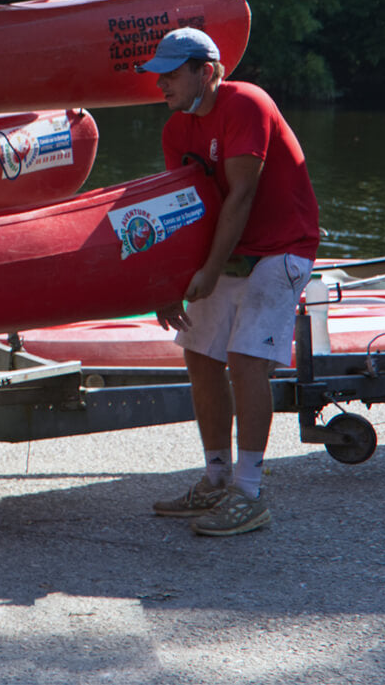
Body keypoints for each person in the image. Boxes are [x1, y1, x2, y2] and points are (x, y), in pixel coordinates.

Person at [144, 27, 320, 537]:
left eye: (172, 74)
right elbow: (184, 214)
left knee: (245, 362)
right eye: (159, 75)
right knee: (200, 356)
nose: (162, 85)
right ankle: (216, 478)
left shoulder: (247, 103)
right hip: (228, 252)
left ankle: (249, 491)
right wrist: (167, 283)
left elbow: (241, 197)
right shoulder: (176, 130)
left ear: (208, 71)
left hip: (281, 248)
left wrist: (210, 271)